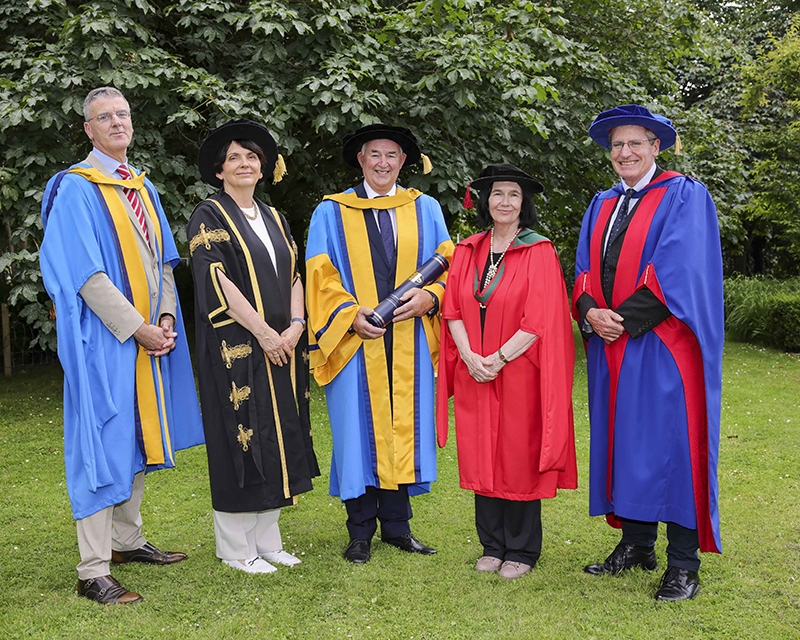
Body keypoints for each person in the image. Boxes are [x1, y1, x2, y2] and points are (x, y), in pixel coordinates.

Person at [39, 87, 204, 604]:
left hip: (149, 335)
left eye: (123, 115)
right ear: (88, 130)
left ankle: (127, 541)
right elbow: (86, 276)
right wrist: (137, 327)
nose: (116, 123)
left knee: (137, 433)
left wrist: (165, 316)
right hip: (103, 340)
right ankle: (93, 570)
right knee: (101, 439)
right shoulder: (76, 188)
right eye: (103, 117)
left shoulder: (143, 188)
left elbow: (163, 264)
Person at [573, 104, 724, 601]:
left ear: (656, 147)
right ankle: (637, 544)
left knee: (673, 448)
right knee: (625, 443)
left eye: (636, 142)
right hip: (613, 347)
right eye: (617, 145)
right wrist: (592, 310)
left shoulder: (684, 194)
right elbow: (582, 271)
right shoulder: (602, 203)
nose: (625, 152)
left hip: (663, 344)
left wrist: (623, 319)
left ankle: (683, 562)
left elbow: (680, 267)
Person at [305, 123, 454, 563]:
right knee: (357, 432)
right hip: (355, 341)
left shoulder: (424, 208)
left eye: (392, 155)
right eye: (375, 155)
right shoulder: (331, 211)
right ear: (361, 159)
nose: (384, 162)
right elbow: (319, 273)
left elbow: (449, 261)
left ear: (403, 161)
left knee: (402, 429)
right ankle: (359, 532)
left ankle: (398, 528)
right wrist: (349, 316)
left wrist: (431, 297)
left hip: (408, 337)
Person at [187, 119, 319, 575]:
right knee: (240, 437)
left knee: (279, 434)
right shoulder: (208, 215)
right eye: (234, 158)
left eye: (252, 157)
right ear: (219, 170)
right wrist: (263, 332)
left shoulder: (277, 218)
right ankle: (235, 547)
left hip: (283, 346)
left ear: (263, 167)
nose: (244, 164)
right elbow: (216, 281)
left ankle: (269, 540)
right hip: (236, 347)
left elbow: (296, 275)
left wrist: (297, 324)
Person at [436, 164, 577, 580]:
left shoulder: (539, 250)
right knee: (481, 454)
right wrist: (469, 357)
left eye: (513, 195)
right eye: (497, 194)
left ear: (524, 204)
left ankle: (522, 549)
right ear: (486, 200)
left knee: (516, 457)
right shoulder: (468, 249)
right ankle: (491, 545)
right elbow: (454, 310)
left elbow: (539, 321)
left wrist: (496, 359)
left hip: (518, 371)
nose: (504, 202)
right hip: (473, 370)